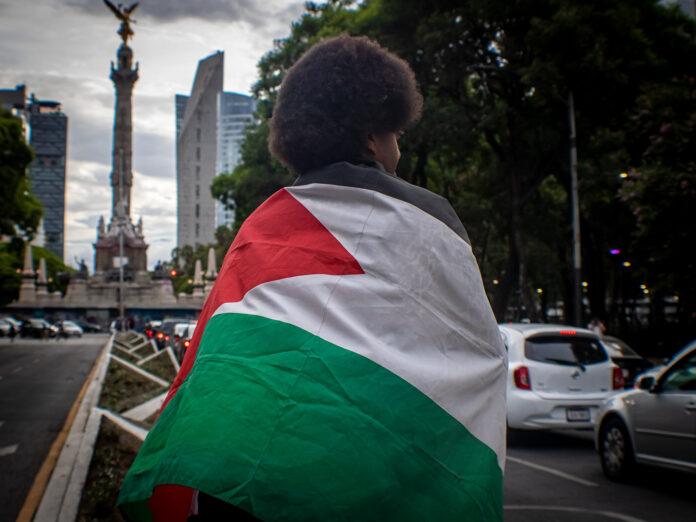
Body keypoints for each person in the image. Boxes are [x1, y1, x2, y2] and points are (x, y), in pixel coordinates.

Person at [120, 35, 506, 522]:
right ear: (371, 135)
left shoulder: (262, 225)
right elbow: (478, 352)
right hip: (375, 484)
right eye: (395, 134)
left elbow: (218, 357)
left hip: (243, 487)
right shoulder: (431, 224)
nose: (399, 149)